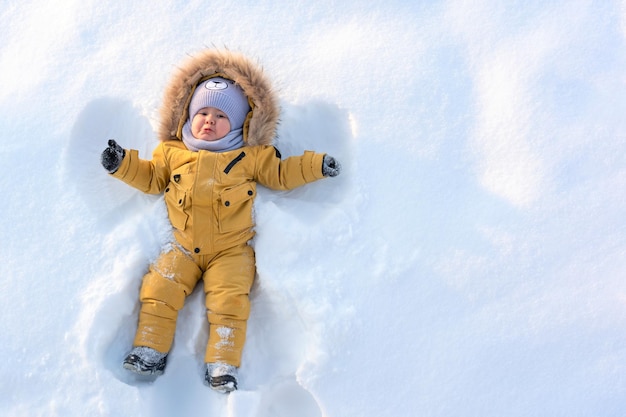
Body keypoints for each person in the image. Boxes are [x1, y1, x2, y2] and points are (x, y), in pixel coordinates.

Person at [100, 49, 341, 393]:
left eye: (221, 116)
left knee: (229, 301)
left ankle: (223, 361)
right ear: (188, 116)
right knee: (159, 288)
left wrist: (316, 165)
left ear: (241, 123)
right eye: (203, 113)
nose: (209, 121)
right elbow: (152, 178)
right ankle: (150, 347)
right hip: (182, 246)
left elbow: (281, 173)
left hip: (230, 251)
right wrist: (121, 164)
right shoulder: (173, 153)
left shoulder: (250, 156)